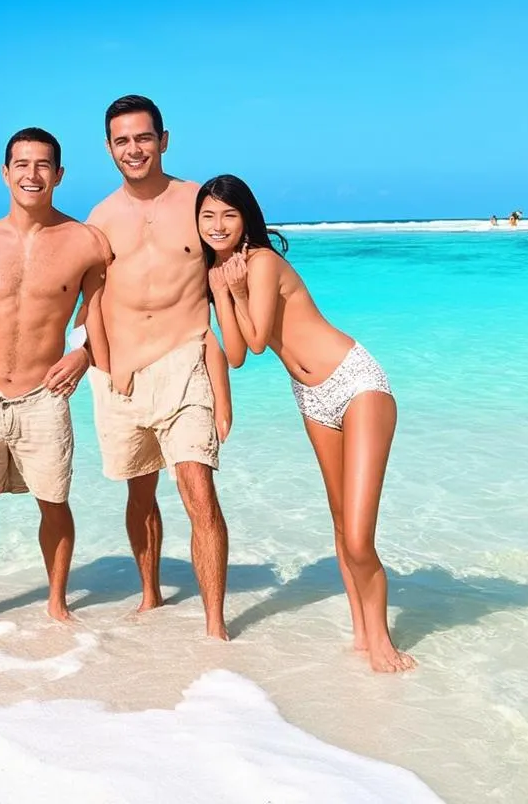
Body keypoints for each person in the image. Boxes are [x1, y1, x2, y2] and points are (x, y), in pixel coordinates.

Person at [197, 174, 415, 672]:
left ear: (246, 217)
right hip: (312, 397)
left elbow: (255, 342)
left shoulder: (264, 262)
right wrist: (221, 293)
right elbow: (234, 356)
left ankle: (383, 642)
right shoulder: (222, 274)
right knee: (340, 525)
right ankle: (362, 635)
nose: (217, 225)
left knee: (359, 536)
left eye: (229, 215)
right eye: (208, 215)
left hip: (356, 383)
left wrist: (231, 290)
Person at [0, 127, 109, 633]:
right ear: (6, 173)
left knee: (53, 502)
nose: (32, 175)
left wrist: (86, 356)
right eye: (22, 165)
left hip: (45, 395)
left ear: (59, 174)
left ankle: (56, 601)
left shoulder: (87, 242)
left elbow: (103, 319)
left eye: (43, 165)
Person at [86, 95, 233, 641]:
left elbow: (235, 274)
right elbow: (90, 301)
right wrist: (88, 361)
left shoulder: (200, 203)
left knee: (197, 489)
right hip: (121, 375)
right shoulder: (99, 219)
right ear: (108, 148)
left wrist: (224, 375)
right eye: (122, 140)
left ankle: (215, 625)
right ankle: (151, 595)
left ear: (163, 139)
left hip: (185, 360)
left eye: (143, 137)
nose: (134, 149)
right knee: (139, 493)